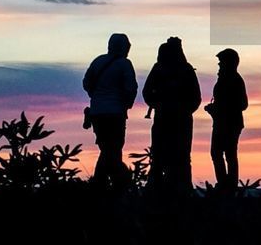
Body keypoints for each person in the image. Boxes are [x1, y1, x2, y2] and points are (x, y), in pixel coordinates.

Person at [141, 37, 201, 194]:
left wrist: (158, 105)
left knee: (161, 156)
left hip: (167, 118)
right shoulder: (185, 69)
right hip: (177, 120)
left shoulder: (160, 68)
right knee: (179, 157)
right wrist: (184, 110)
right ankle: (181, 190)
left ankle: (156, 190)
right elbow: (196, 98)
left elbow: (147, 92)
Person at [83, 33, 138, 190]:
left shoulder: (98, 61)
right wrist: (126, 104)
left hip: (97, 113)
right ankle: (116, 184)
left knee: (107, 149)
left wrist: (96, 96)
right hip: (115, 114)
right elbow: (131, 88)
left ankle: (103, 185)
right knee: (112, 150)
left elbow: (86, 82)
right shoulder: (124, 64)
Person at [205, 47, 248, 192]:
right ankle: (225, 184)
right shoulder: (225, 78)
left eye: (221, 62)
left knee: (226, 153)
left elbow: (243, 104)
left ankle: (228, 185)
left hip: (229, 123)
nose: (219, 65)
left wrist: (220, 108)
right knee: (219, 153)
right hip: (221, 122)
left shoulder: (235, 79)